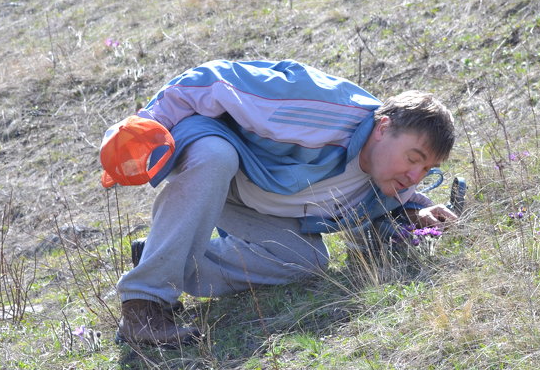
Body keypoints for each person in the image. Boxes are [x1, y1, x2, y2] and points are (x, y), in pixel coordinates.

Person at [108, 59, 458, 347]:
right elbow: (212, 80)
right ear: (382, 128)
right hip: (213, 152)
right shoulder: (320, 108)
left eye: (426, 168)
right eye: (413, 158)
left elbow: (385, 214)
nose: (415, 175)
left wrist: (415, 214)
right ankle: (145, 305)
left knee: (308, 261)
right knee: (217, 155)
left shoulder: (390, 182)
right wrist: (149, 125)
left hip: (256, 200)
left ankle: (160, 256)